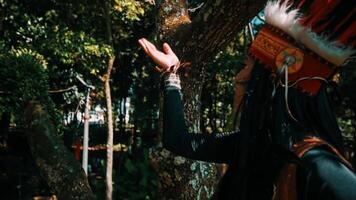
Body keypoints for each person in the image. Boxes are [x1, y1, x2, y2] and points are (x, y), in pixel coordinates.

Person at [138, 0, 356, 199]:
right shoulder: (252, 142)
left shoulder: (317, 165)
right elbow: (178, 140)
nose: (239, 76)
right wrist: (171, 73)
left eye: (245, 66)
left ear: (273, 82)